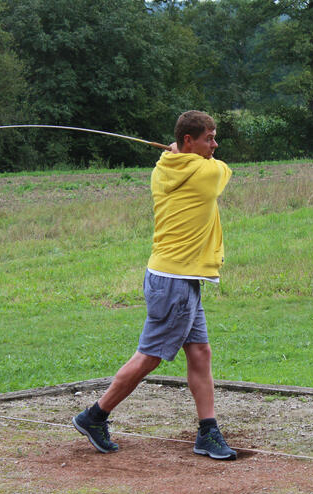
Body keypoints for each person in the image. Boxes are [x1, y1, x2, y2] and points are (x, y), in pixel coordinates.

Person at [73, 110, 236, 460]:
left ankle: (207, 431)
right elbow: (225, 171)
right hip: (175, 280)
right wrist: (196, 156)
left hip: (179, 277)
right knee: (149, 357)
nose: (215, 144)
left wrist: (183, 153)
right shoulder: (206, 172)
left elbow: (199, 161)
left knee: (200, 352)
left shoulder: (165, 166)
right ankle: (95, 415)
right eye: (209, 138)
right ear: (188, 141)